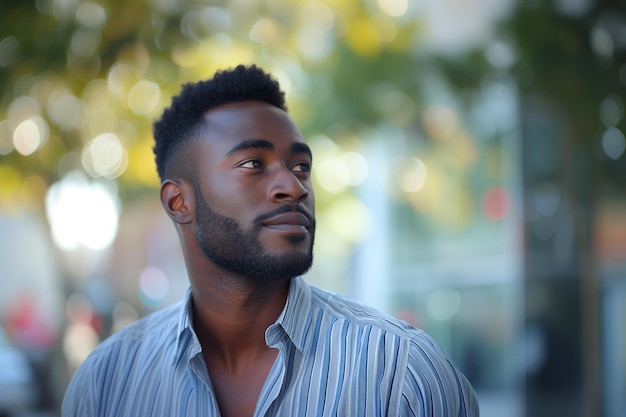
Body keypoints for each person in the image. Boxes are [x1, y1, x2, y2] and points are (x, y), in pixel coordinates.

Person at [62, 64, 479, 417]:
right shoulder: (107, 383)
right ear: (178, 201)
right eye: (253, 164)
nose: (293, 187)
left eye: (300, 166)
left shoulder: (402, 374)